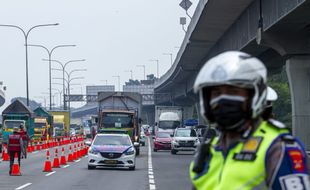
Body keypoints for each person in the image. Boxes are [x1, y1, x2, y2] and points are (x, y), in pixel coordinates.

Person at [189, 51, 310, 189]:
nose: (223, 99)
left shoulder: (278, 148)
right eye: (216, 93)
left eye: (233, 92)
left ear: (254, 96)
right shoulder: (209, 151)